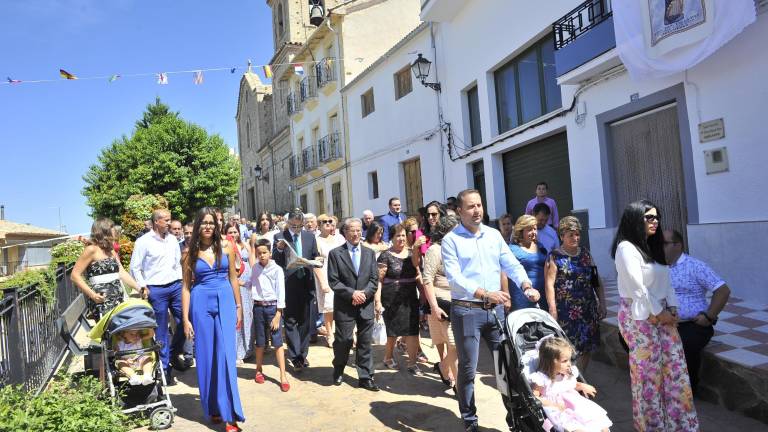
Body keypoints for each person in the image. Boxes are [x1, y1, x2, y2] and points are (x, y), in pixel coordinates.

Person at [442, 189, 537, 432]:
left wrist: (526, 285)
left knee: (507, 365)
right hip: (467, 311)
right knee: (468, 368)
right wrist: (485, 293)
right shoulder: (451, 240)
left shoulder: (494, 235)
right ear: (460, 211)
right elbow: (455, 278)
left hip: (495, 312)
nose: (477, 211)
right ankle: (470, 420)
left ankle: (516, 417)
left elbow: (511, 264)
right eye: (471, 207)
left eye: (479, 205)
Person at [612, 200, 698, 431]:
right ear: (634, 219)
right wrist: (660, 314)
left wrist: (673, 308)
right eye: (648, 217)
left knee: (675, 374)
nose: (655, 221)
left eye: (656, 217)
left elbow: (667, 281)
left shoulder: (654, 246)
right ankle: (652, 427)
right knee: (648, 378)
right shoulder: (626, 248)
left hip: (663, 317)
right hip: (639, 317)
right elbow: (637, 288)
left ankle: (680, 426)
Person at [181, 207, 245, 431]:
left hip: (225, 298)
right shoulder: (189, 252)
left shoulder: (227, 246)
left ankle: (231, 415)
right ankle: (214, 408)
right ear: (198, 225)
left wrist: (239, 306)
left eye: (211, 222)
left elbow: (234, 278)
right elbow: (186, 287)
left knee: (226, 356)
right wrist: (186, 319)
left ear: (216, 225)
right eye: (204, 222)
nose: (208, 226)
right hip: (200, 301)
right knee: (206, 357)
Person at [664, 229, 730, 393]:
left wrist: (709, 316)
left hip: (692, 324)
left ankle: (687, 390)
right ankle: (660, 385)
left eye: (663, 244)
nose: (658, 247)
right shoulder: (658, 268)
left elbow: (723, 290)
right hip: (664, 321)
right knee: (630, 337)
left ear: (678, 245)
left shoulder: (695, 266)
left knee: (685, 343)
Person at [129, 209, 185, 383]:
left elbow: (177, 263)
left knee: (185, 322)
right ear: (156, 222)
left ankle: (174, 354)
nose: (169, 223)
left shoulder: (173, 240)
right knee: (161, 331)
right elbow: (135, 267)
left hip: (176, 286)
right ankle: (165, 369)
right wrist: (143, 286)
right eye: (165, 220)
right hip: (156, 290)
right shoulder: (143, 242)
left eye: (169, 220)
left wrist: (181, 281)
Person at [544, 216, 605, 372]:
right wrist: (552, 309)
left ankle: (580, 376)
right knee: (567, 347)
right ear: (562, 236)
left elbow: (596, 280)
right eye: (571, 234)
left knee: (587, 346)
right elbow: (549, 284)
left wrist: (602, 303)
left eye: (577, 234)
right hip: (566, 311)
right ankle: (569, 379)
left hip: (587, 309)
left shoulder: (586, 254)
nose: (575, 237)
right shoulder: (554, 256)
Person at [327, 217, 380, 391]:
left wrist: (365, 294)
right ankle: (339, 368)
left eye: (359, 230)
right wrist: (352, 294)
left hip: (365, 304)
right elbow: (334, 281)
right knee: (344, 340)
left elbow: (374, 278)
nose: (356, 233)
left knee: (365, 342)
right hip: (345, 305)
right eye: (352, 230)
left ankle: (365, 376)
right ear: (345, 232)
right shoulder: (335, 254)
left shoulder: (369, 253)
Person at [272, 209, 321, 371]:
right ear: (288, 223)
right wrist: (279, 250)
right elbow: (276, 261)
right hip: (289, 284)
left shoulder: (309, 236)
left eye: (300, 226)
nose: (297, 229)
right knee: (291, 321)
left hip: (306, 282)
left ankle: (303, 354)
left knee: (306, 321)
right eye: (294, 226)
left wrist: (318, 260)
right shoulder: (279, 237)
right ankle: (295, 357)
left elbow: (315, 256)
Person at [529, 336, 612, 432]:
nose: (569, 364)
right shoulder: (542, 379)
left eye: (569, 360)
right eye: (565, 361)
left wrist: (581, 385)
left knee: (601, 424)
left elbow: (570, 385)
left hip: (575, 404)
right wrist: (553, 405)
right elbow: (534, 397)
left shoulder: (567, 372)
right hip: (559, 410)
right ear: (551, 363)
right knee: (578, 430)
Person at [375, 224, 423, 375]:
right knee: (393, 331)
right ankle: (388, 357)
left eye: (403, 235)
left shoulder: (411, 253)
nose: (401, 238)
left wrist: (423, 294)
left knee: (412, 330)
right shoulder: (385, 255)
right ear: (392, 237)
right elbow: (379, 280)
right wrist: (377, 301)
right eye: (398, 236)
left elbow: (417, 272)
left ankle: (412, 363)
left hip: (410, 297)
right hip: (391, 298)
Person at [72, 218, 138, 319]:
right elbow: (74, 276)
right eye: (112, 227)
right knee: (109, 333)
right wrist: (93, 295)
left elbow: (121, 273)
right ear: (104, 230)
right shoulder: (91, 250)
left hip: (119, 298)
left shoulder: (111, 251)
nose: (115, 230)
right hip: (102, 301)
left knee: (121, 333)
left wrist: (139, 288)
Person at [423, 215, 459, 388]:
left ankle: (443, 367)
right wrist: (434, 307)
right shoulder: (435, 250)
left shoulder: (460, 249)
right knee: (454, 344)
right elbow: (427, 280)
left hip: (461, 302)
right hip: (442, 303)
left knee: (458, 345)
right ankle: (460, 387)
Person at [251, 239, 290, 392]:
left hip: (273, 308)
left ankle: (282, 375)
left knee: (278, 342)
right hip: (258, 308)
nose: (261, 255)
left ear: (270, 252)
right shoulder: (255, 268)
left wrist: (278, 314)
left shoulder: (277, 269)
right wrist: (237, 282)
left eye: (264, 252)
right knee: (260, 342)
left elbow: (281, 293)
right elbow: (251, 283)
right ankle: (258, 370)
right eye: (259, 253)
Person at [225, 222, 254, 362]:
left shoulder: (245, 245)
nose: (233, 234)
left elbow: (252, 261)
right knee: (239, 317)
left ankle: (249, 349)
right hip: (237, 284)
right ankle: (239, 352)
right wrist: (238, 281)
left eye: (235, 232)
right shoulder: (226, 247)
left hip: (248, 284)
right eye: (230, 232)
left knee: (249, 315)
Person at [315, 214, 346, 347]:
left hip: (340, 274)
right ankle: (330, 334)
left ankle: (342, 333)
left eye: (330, 221)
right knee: (329, 307)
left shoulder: (338, 239)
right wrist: (322, 282)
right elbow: (315, 262)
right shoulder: (316, 240)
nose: (328, 223)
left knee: (341, 305)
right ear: (319, 225)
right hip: (325, 273)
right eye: (324, 222)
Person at [509, 215, 548, 311]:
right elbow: (504, 274)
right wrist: (507, 298)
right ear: (521, 231)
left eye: (535, 229)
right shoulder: (512, 249)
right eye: (529, 229)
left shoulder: (540, 246)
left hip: (542, 295)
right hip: (521, 297)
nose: (534, 232)